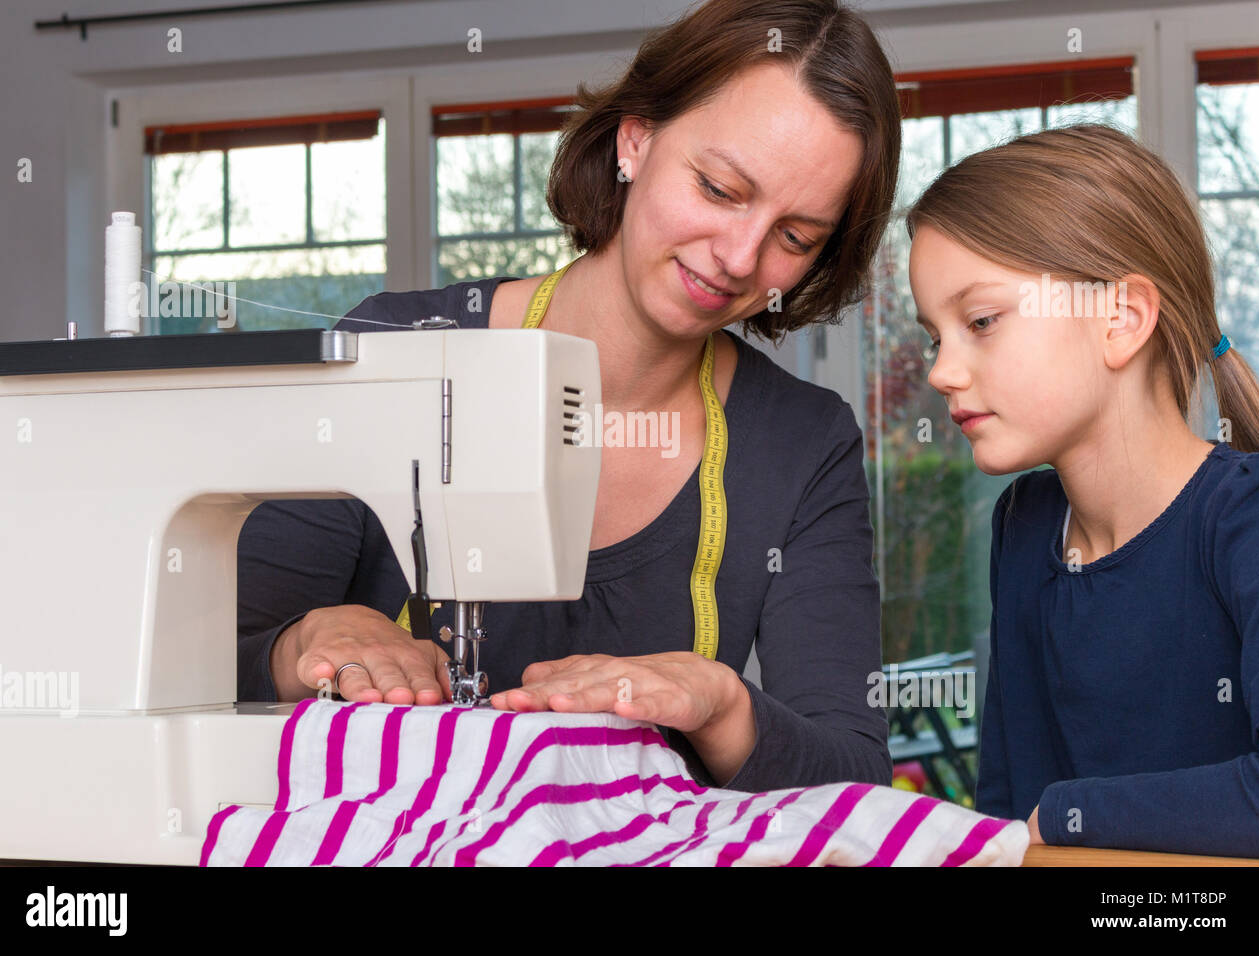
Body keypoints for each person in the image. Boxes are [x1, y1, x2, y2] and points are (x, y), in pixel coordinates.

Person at [238, 0, 901, 792]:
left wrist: (724, 706)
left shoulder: (801, 442)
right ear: (635, 139)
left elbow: (849, 773)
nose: (738, 256)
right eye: (720, 188)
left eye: (795, 237)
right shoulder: (395, 355)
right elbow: (208, 664)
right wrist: (308, 637)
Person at [907, 123, 1259, 857]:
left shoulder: (1253, 519)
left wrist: (1067, 814)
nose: (940, 371)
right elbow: (1006, 806)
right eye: (934, 336)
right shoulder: (1024, 526)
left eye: (980, 321)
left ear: (1122, 318)